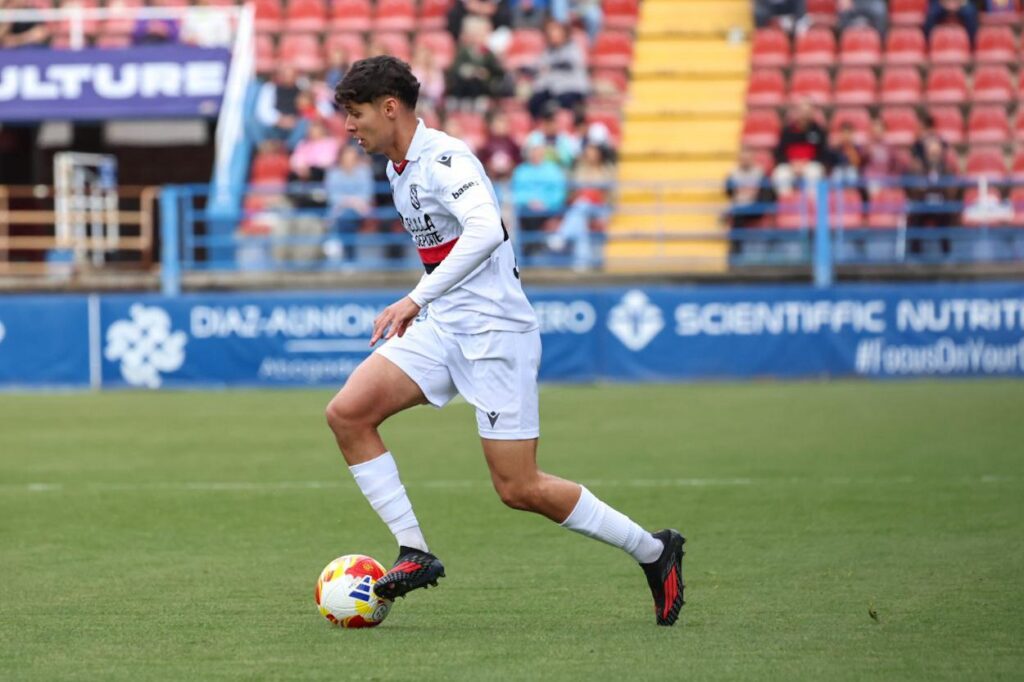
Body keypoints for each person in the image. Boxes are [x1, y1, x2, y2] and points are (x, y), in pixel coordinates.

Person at [328, 55, 685, 626]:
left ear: (389, 107)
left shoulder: (445, 160)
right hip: (444, 327)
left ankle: (655, 550)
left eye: (356, 113)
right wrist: (426, 302)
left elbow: (488, 229)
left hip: (495, 334)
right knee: (347, 414)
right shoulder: (397, 170)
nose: (349, 126)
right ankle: (414, 551)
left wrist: (414, 298)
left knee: (519, 487)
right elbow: (448, 253)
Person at [546, 142, 614, 269]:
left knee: (581, 206)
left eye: (592, 152)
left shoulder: (606, 170)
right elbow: (574, 192)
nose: (590, 155)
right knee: (580, 221)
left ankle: (561, 236)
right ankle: (581, 264)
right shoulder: (580, 170)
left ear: (599, 154)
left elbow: (607, 195)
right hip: (583, 208)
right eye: (588, 152)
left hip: (600, 209)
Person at [527, 20, 590, 120]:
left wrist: (551, 67)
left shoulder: (573, 48)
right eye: (552, 34)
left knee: (559, 103)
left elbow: (569, 64)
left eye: (557, 33)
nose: (554, 37)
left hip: (571, 89)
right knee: (534, 101)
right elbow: (540, 69)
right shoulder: (548, 51)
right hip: (553, 90)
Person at [771, 99, 828, 196]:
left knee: (814, 172)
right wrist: (791, 164)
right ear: (798, 113)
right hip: (790, 165)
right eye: (802, 111)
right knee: (780, 173)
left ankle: (809, 206)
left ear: (812, 113)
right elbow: (779, 153)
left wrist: (806, 163)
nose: (805, 114)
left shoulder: (819, 131)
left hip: (810, 165)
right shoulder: (787, 131)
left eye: (808, 111)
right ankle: (787, 205)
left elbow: (823, 154)